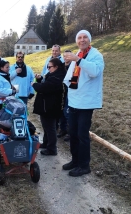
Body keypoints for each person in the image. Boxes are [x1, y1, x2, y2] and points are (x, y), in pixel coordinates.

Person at [62, 30, 104, 177]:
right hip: (74, 101)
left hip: (86, 103)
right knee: (72, 133)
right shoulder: (78, 55)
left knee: (82, 134)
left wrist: (77, 60)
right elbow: (70, 78)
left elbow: (95, 71)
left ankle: (84, 165)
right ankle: (75, 160)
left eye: (85, 37)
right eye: (79, 37)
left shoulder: (96, 55)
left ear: (89, 40)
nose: (82, 40)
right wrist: (70, 62)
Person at [32, 58, 66, 156]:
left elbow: (44, 87)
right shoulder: (54, 75)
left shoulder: (57, 77)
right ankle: (46, 143)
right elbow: (45, 82)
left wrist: (35, 84)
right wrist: (39, 79)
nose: (48, 68)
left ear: (56, 67)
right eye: (47, 67)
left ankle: (52, 149)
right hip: (47, 106)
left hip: (50, 108)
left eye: (50, 67)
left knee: (50, 128)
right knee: (46, 127)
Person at [59, 50, 72, 142]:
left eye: (68, 56)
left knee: (67, 112)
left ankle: (70, 132)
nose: (66, 58)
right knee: (61, 111)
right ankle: (62, 129)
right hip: (61, 92)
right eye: (64, 56)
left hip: (69, 92)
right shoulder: (61, 66)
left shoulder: (74, 66)